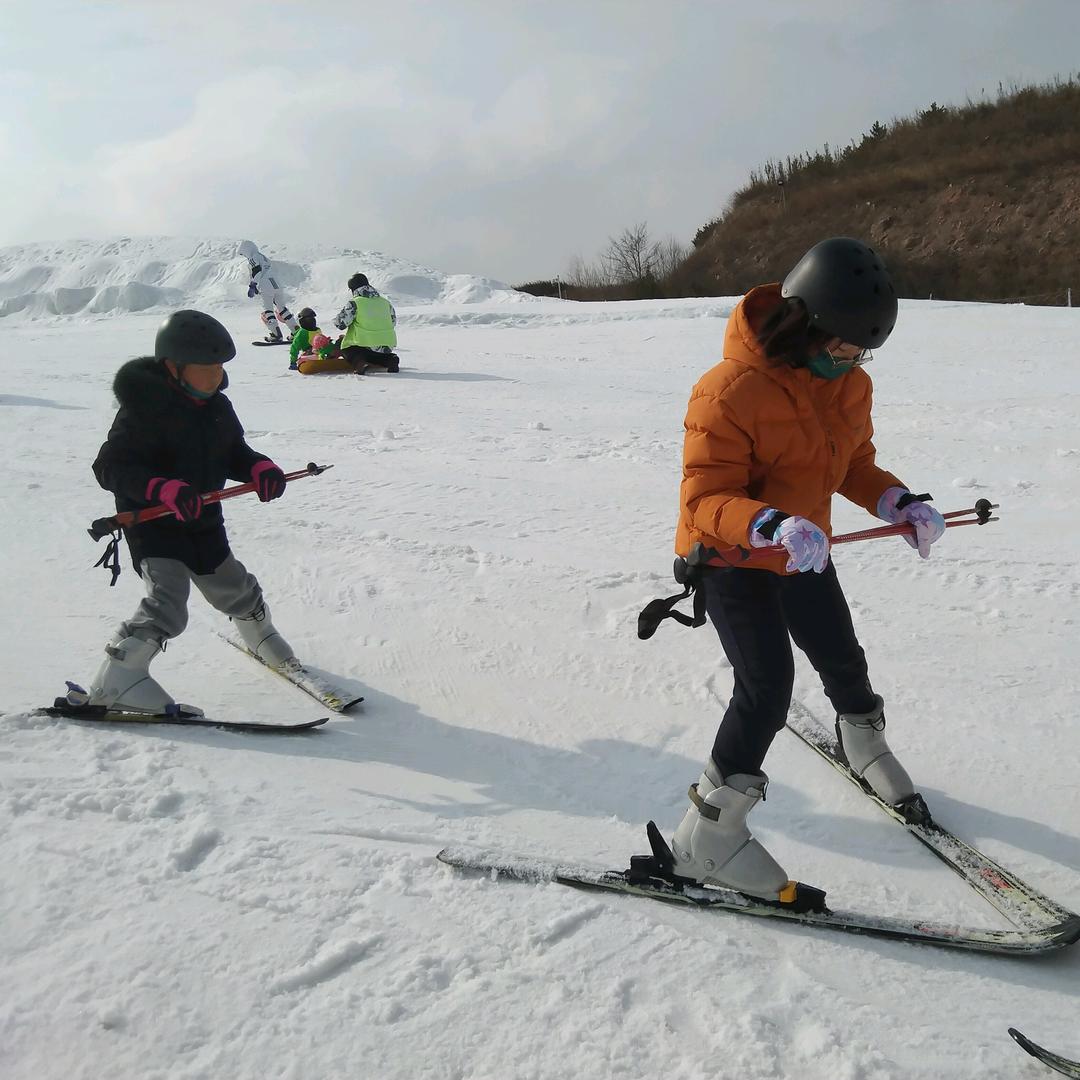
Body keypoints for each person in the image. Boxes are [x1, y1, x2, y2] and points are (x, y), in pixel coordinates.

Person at [665, 237, 946, 902]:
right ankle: (704, 841)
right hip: (731, 555)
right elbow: (704, 500)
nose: (850, 361)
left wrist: (896, 500)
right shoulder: (728, 389)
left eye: (861, 351)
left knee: (840, 653)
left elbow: (849, 463)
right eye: (843, 346)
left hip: (802, 547)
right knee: (766, 686)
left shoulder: (848, 384)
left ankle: (863, 742)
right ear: (804, 322)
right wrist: (768, 524)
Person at [88, 309, 300, 713]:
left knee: (232, 583)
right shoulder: (143, 410)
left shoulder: (218, 407)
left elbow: (234, 452)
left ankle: (259, 635)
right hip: (154, 523)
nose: (214, 379)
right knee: (168, 599)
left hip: (203, 518)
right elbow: (110, 467)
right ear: (173, 367)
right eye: (204, 371)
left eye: (218, 370)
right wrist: (161, 488)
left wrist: (259, 467)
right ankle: (117, 680)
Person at [332, 272, 400, 372]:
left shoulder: (355, 303)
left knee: (344, 347)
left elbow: (340, 324)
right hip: (386, 347)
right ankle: (391, 360)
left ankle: (358, 362)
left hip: (364, 346)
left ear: (353, 289)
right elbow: (393, 322)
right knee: (378, 354)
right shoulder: (385, 302)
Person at [239, 239, 298, 344]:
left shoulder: (253, 258)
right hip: (276, 283)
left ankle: (276, 334)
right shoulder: (263, 257)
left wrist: (253, 285)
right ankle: (296, 332)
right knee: (282, 309)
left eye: (243, 254)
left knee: (268, 310)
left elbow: (257, 271)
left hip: (266, 284)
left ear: (246, 250)